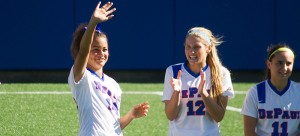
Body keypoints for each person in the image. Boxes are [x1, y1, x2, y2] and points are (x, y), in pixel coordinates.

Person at [68, 1, 149, 136]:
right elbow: (83, 52)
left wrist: (131, 115)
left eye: (104, 49)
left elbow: (114, 127)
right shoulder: (82, 77)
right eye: (95, 50)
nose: (101, 54)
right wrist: (93, 23)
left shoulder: (113, 84)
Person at [162, 27, 234, 136]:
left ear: (208, 48)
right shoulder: (173, 71)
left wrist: (203, 92)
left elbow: (219, 116)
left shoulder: (221, 73)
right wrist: (176, 93)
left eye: (197, 47)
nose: (192, 51)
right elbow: (170, 115)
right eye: (188, 47)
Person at [241, 44, 300, 136]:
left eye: (288, 63)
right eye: (279, 63)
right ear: (269, 64)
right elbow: (249, 133)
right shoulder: (255, 92)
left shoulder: (298, 91)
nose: (284, 68)